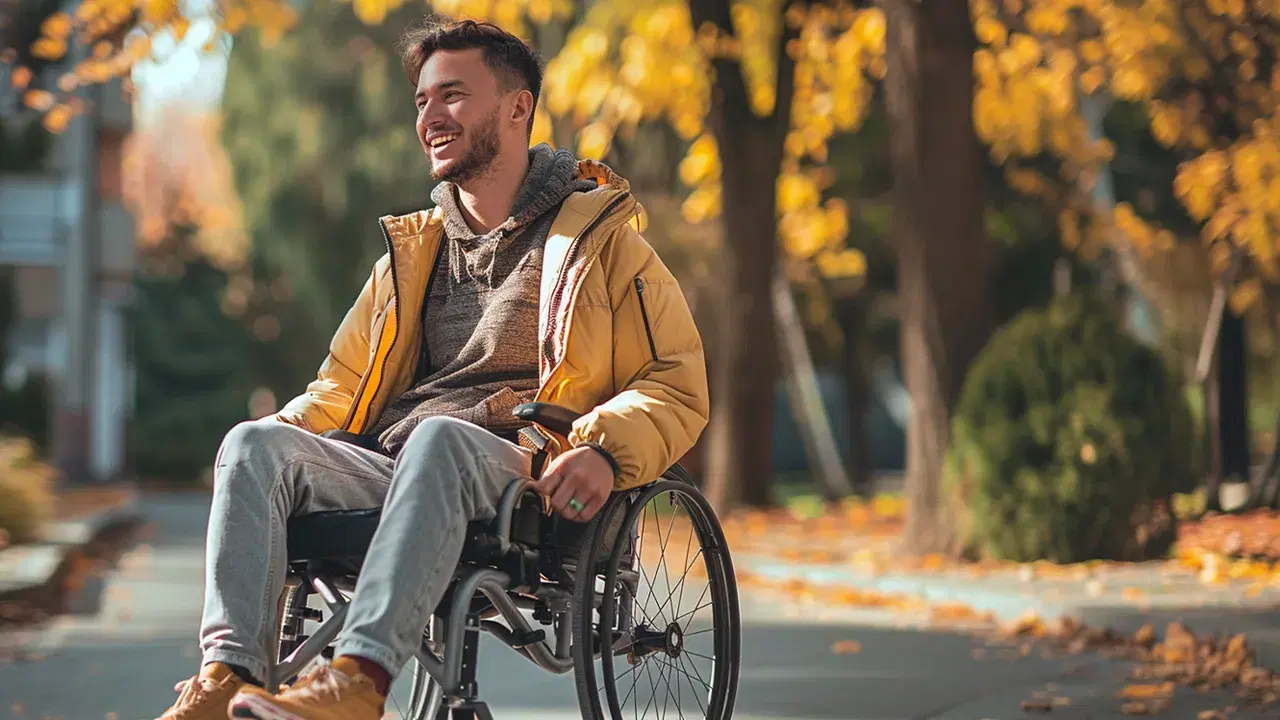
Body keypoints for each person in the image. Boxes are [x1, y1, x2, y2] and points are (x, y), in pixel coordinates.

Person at [155, 15, 709, 720]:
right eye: (421, 100)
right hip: (397, 464)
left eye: (452, 95)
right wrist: (280, 443)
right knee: (251, 444)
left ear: (517, 108)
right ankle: (230, 679)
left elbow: (675, 383)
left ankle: (357, 681)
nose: (429, 117)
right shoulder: (410, 257)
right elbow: (339, 388)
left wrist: (602, 448)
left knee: (438, 440)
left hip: (526, 467)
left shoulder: (603, 246)